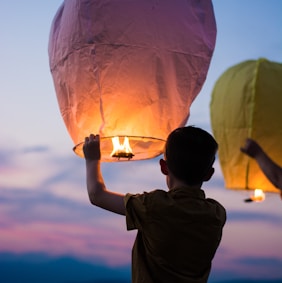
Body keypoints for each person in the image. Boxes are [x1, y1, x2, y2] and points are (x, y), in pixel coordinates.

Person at [83, 126, 226, 283]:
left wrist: (92, 159)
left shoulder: (154, 206)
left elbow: (97, 195)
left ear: (164, 167)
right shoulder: (217, 214)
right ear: (209, 174)